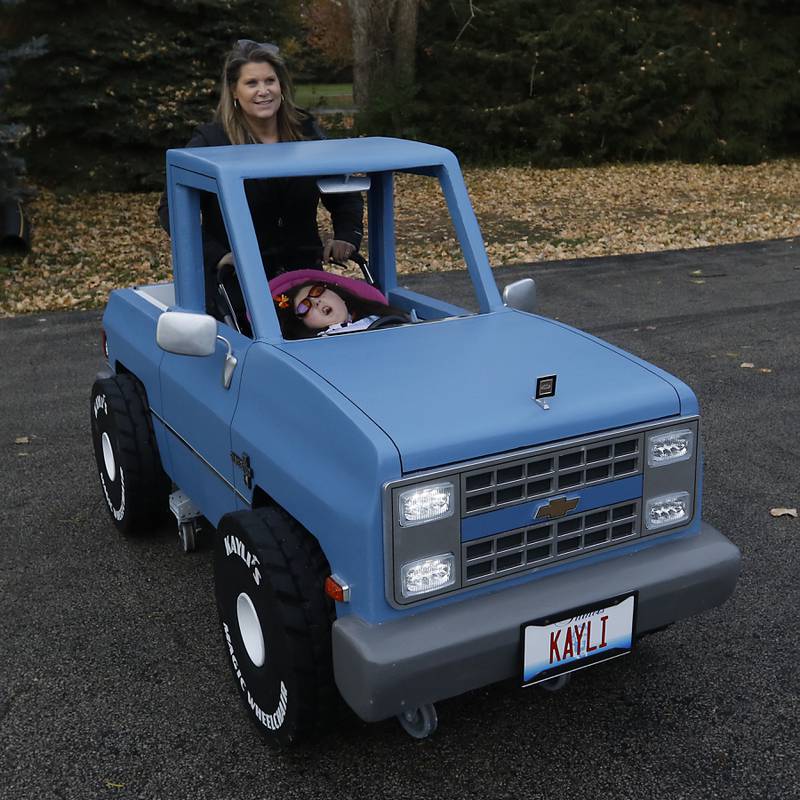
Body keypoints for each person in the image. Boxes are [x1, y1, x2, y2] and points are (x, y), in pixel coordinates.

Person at [157, 39, 363, 311]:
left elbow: (344, 190)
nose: (263, 91)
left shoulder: (308, 133)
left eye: (270, 81)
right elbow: (171, 208)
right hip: (235, 284)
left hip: (303, 279)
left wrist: (347, 235)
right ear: (234, 91)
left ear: (281, 86)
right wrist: (217, 255)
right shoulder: (211, 142)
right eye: (252, 83)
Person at [273, 278, 409, 340]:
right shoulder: (316, 348)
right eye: (304, 306)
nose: (316, 301)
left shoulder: (381, 316)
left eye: (317, 291)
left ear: (339, 296)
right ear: (304, 324)